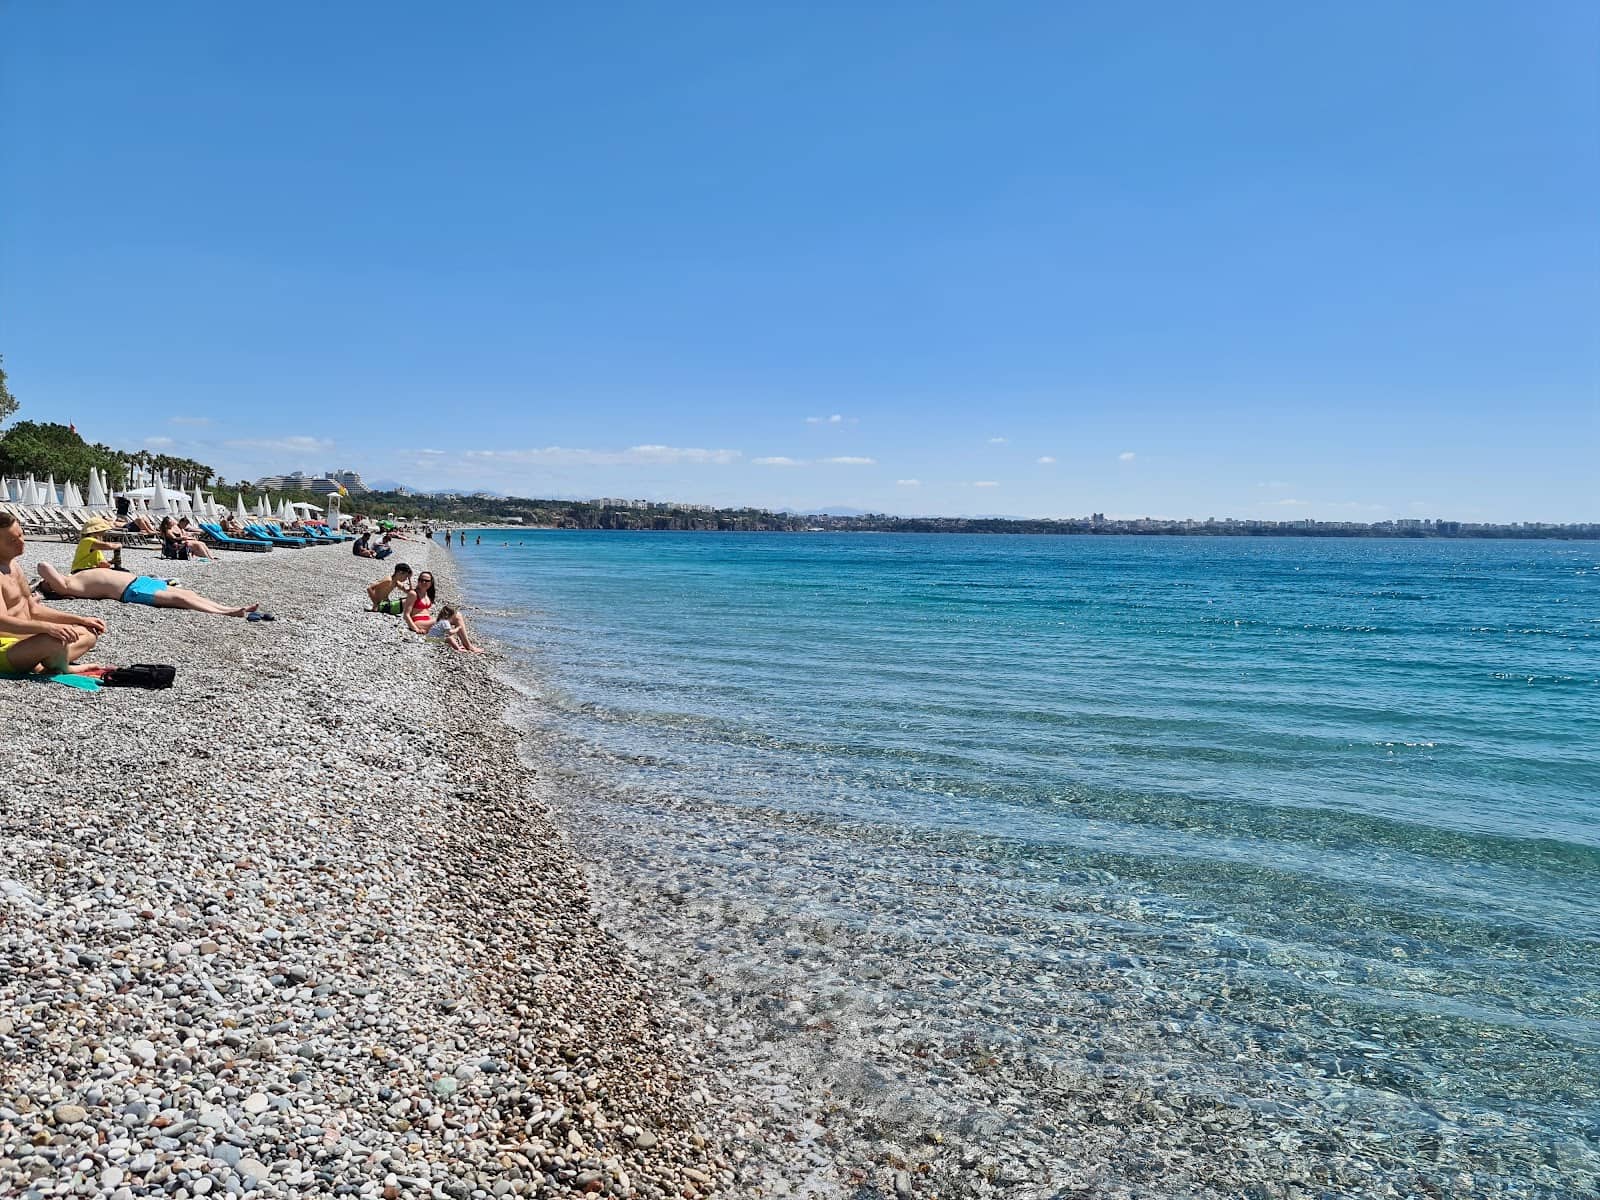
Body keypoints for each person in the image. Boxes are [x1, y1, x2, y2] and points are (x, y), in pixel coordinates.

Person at [0, 514, 109, 677]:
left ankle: (45, 661)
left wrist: (80, 620)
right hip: (6, 647)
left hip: (28, 638)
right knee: (53, 639)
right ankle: (60, 665)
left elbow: (33, 609)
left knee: (89, 632)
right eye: (13, 541)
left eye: (21, 535)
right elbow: (2, 622)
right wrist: (49, 628)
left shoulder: (14, 565)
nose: (22, 543)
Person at [36, 562, 264, 618]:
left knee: (189, 594)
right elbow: (43, 566)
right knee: (178, 598)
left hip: (140, 580)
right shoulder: (67, 586)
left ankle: (227, 608)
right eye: (48, 582)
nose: (47, 580)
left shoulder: (73, 577)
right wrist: (38, 588)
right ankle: (223, 613)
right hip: (129, 591)